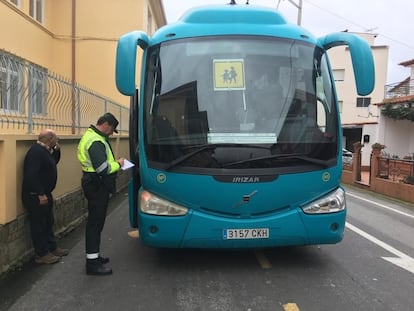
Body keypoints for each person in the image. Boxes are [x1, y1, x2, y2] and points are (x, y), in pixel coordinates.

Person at [77, 112, 125, 276]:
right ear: (106, 125)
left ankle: (94, 257)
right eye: (112, 130)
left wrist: (114, 162)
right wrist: (118, 164)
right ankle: (92, 264)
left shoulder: (92, 136)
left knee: (96, 223)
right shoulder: (96, 141)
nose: (112, 133)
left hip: (94, 183)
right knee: (95, 224)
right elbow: (103, 169)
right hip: (96, 184)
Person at [21, 129, 69, 264]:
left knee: (48, 221)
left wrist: (57, 149)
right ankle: (41, 254)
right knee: (39, 224)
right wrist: (40, 193)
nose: (57, 140)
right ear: (49, 139)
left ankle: (52, 248)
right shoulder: (36, 152)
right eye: (56, 139)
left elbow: (53, 162)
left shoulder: (45, 151)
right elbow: (31, 175)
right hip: (35, 196)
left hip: (45, 194)